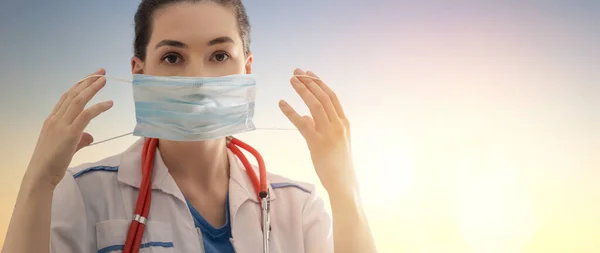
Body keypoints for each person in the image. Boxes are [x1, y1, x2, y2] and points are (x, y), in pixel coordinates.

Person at [2, 0, 377, 252]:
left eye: (219, 55)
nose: (198, 79)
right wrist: (38, 182)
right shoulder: (82, 194)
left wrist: (343, 185)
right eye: (172, 57)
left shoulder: (299, 205)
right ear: (140, 72)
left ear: (246, 69)